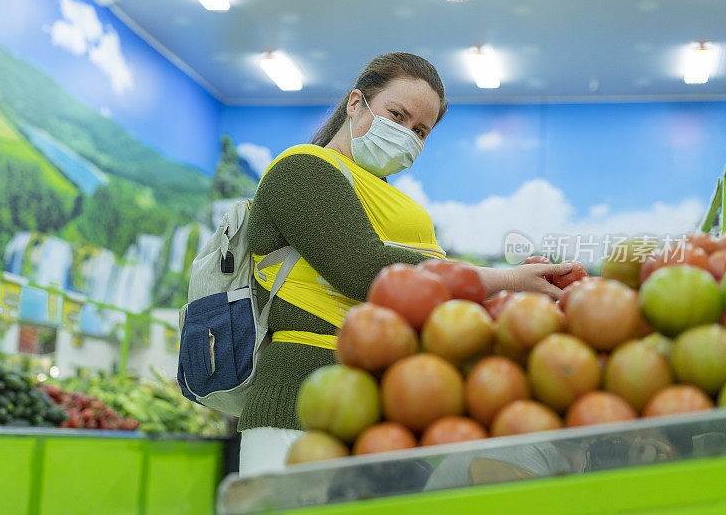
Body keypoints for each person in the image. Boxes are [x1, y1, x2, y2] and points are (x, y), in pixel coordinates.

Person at [237, 52, 572, 476]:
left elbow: (430, 297)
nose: (406, 134)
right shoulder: (303, 170)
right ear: (356, 104)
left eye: (420, 130)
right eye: (396, 115)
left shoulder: (394, 204)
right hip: (302, 399)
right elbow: (366, 269)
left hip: (385, 407)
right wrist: (506, 279)